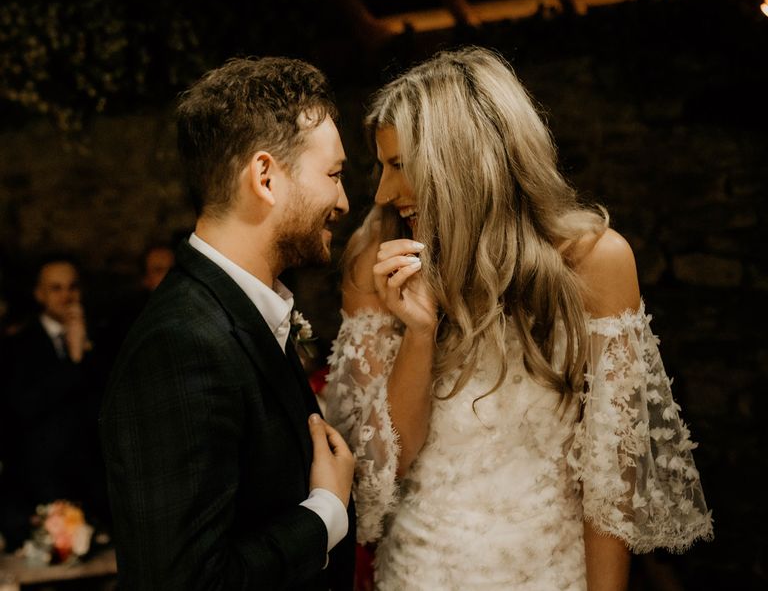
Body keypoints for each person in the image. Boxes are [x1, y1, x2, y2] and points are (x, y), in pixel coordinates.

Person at [325, 47, 713, 590]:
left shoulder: (598, 263)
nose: (384, 192)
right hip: (421, 571)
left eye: (397, 166)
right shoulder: (379, 257)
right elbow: (384, 471)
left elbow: (611, 480)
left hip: (551, 573)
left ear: (458, 163)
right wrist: (418, 333)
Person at [99, 57, 356, 590]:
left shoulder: (240, 310)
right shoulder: (181, 343)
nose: (344, 201)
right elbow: (182, 582)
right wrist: (326, 513)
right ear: (265, 177)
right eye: (333, 174)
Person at [0, 255, 104, 549]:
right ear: (40, 294)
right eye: (56, 288)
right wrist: (72, 360)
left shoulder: (101, 338)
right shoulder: (16, 347)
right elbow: (22, 408)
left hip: (93, 486)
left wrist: (85, 349)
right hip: (40, 486)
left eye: (72, 287)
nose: (66, 296)